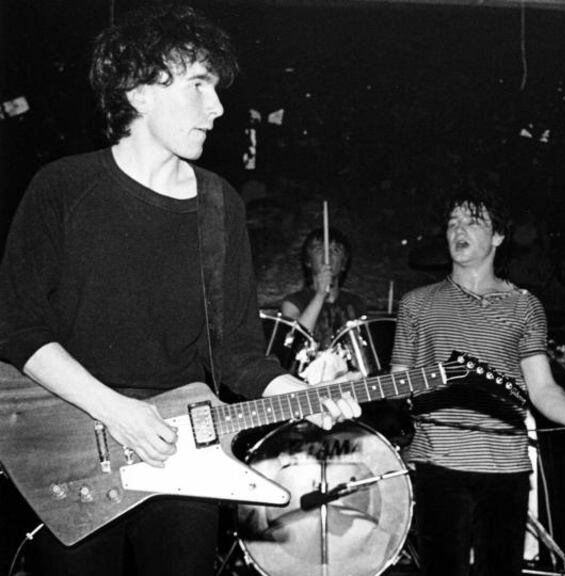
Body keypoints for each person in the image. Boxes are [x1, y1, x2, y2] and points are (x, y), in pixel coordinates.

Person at [0, 6, 358, 576]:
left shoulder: (219, 205)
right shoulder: (63, 187)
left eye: (216, 89)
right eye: (198, 85)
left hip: (186, 453)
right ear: (140, 92)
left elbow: (238, 351)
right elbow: (16, 325)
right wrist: (118, 413)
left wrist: (301, 391)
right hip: (73, 452)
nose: (216, 108)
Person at [390, 187, 565, 576]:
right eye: (452, 223)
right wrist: (365, 389)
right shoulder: (417, 303)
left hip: (506, 470)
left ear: (498, 236)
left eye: (472, 222)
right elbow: (399, 382)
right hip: (438, 465)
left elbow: (543, 389)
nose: (458, 230)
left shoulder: (525, 306)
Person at [280, 226, 368, 382]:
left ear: (343, 264)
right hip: (303, 385)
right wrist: (320, 293)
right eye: (319, 249)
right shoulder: (292, 303)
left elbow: (364, 355)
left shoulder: (356, 304)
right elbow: (294, 343)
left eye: (335, 251)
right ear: (307, 260)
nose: (327, 255)